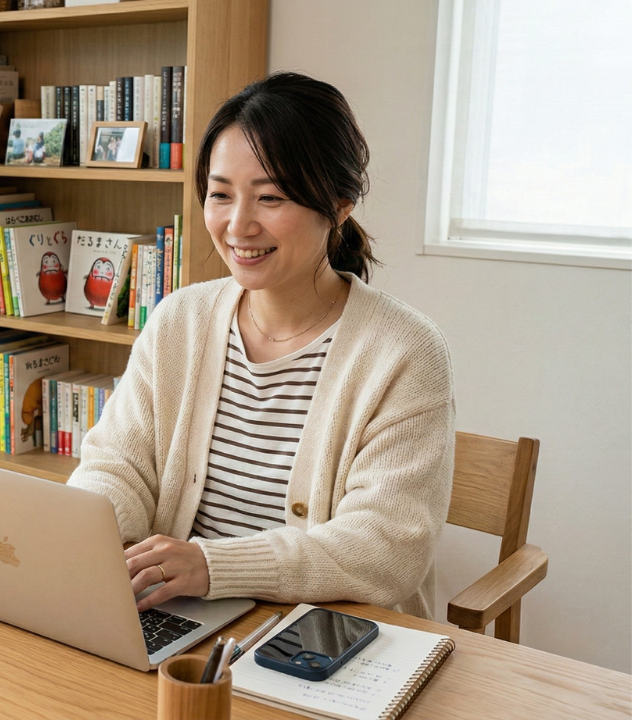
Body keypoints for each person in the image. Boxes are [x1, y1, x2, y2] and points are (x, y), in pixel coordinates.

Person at [68, 72, 455, 620]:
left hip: (330, 634)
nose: (238, 225)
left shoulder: (405, 351)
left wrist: (213, 567)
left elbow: (386, 549)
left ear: (339, 205)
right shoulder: (180, 319)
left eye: (270, 197)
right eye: (221, 195)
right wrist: (92, 532)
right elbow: (117, 463)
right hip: (179, 614)